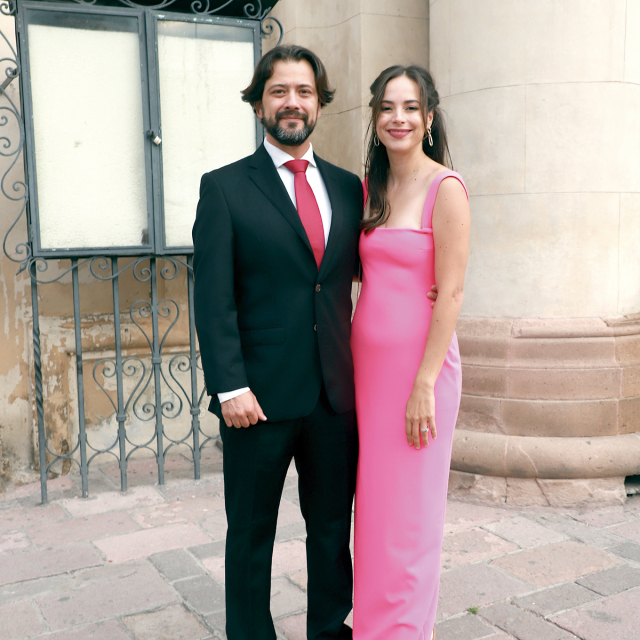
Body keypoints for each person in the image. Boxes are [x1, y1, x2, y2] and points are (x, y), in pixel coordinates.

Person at [192, 45, 364, 640]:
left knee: (331, 530)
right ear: (259, 103)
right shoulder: (224, 188)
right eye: (279, 91)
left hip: (334, 398)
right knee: (250, 532)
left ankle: (329, 630)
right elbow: (213, 299)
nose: (293, 102)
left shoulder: (349, 188)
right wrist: (229, 386)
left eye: (304, 92)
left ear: (319, 103)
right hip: (256, 400)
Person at [350, 65, 470, 640]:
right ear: (375, 118)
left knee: (411, 517)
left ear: (428, 119)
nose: (398, 118)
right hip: (369, 374)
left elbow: (452, 291)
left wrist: (424, 382)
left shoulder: (446, 188)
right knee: (375, 512)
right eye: (387, 107)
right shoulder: (370, 189)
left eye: (410, 107)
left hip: (419, 374)